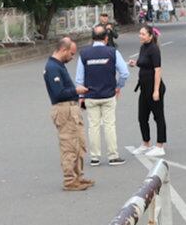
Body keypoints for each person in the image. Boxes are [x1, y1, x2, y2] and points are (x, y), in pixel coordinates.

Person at [44, 36, 93, 192]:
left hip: (72, 108)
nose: (72, 57)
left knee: (79, 144)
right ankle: (69, 180)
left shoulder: (58, 65)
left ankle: (78, 176)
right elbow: (59, 93)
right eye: (71, 54)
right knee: (69, 146)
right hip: (64, 109)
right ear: (63, 50)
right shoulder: (52, 67)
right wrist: (76, 90)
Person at [76, 26, 128, 167]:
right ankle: (113, 156)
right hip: (108, 94)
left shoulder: (84, 54)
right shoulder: (113, 52)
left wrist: (81, 96)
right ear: (106, 38)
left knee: (93, 126)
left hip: (90, 95)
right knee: (109, 125)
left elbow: (79, 79)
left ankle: (95, 157)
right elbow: (124, 73)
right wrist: (118, 86)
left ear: (92, 38)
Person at [131, 25, 167, 157]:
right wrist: (135, 63)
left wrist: (156, 91)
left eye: (143, 34)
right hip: (144, 88)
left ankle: (160, 145)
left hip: (154, 88)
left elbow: (157, 70)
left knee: (158, 117)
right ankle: (146, 143)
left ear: (150, 36)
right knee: (142, 117)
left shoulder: (154, 49)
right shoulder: (143, 47)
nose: (140, 36)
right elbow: (145, 63)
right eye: (139, 33)